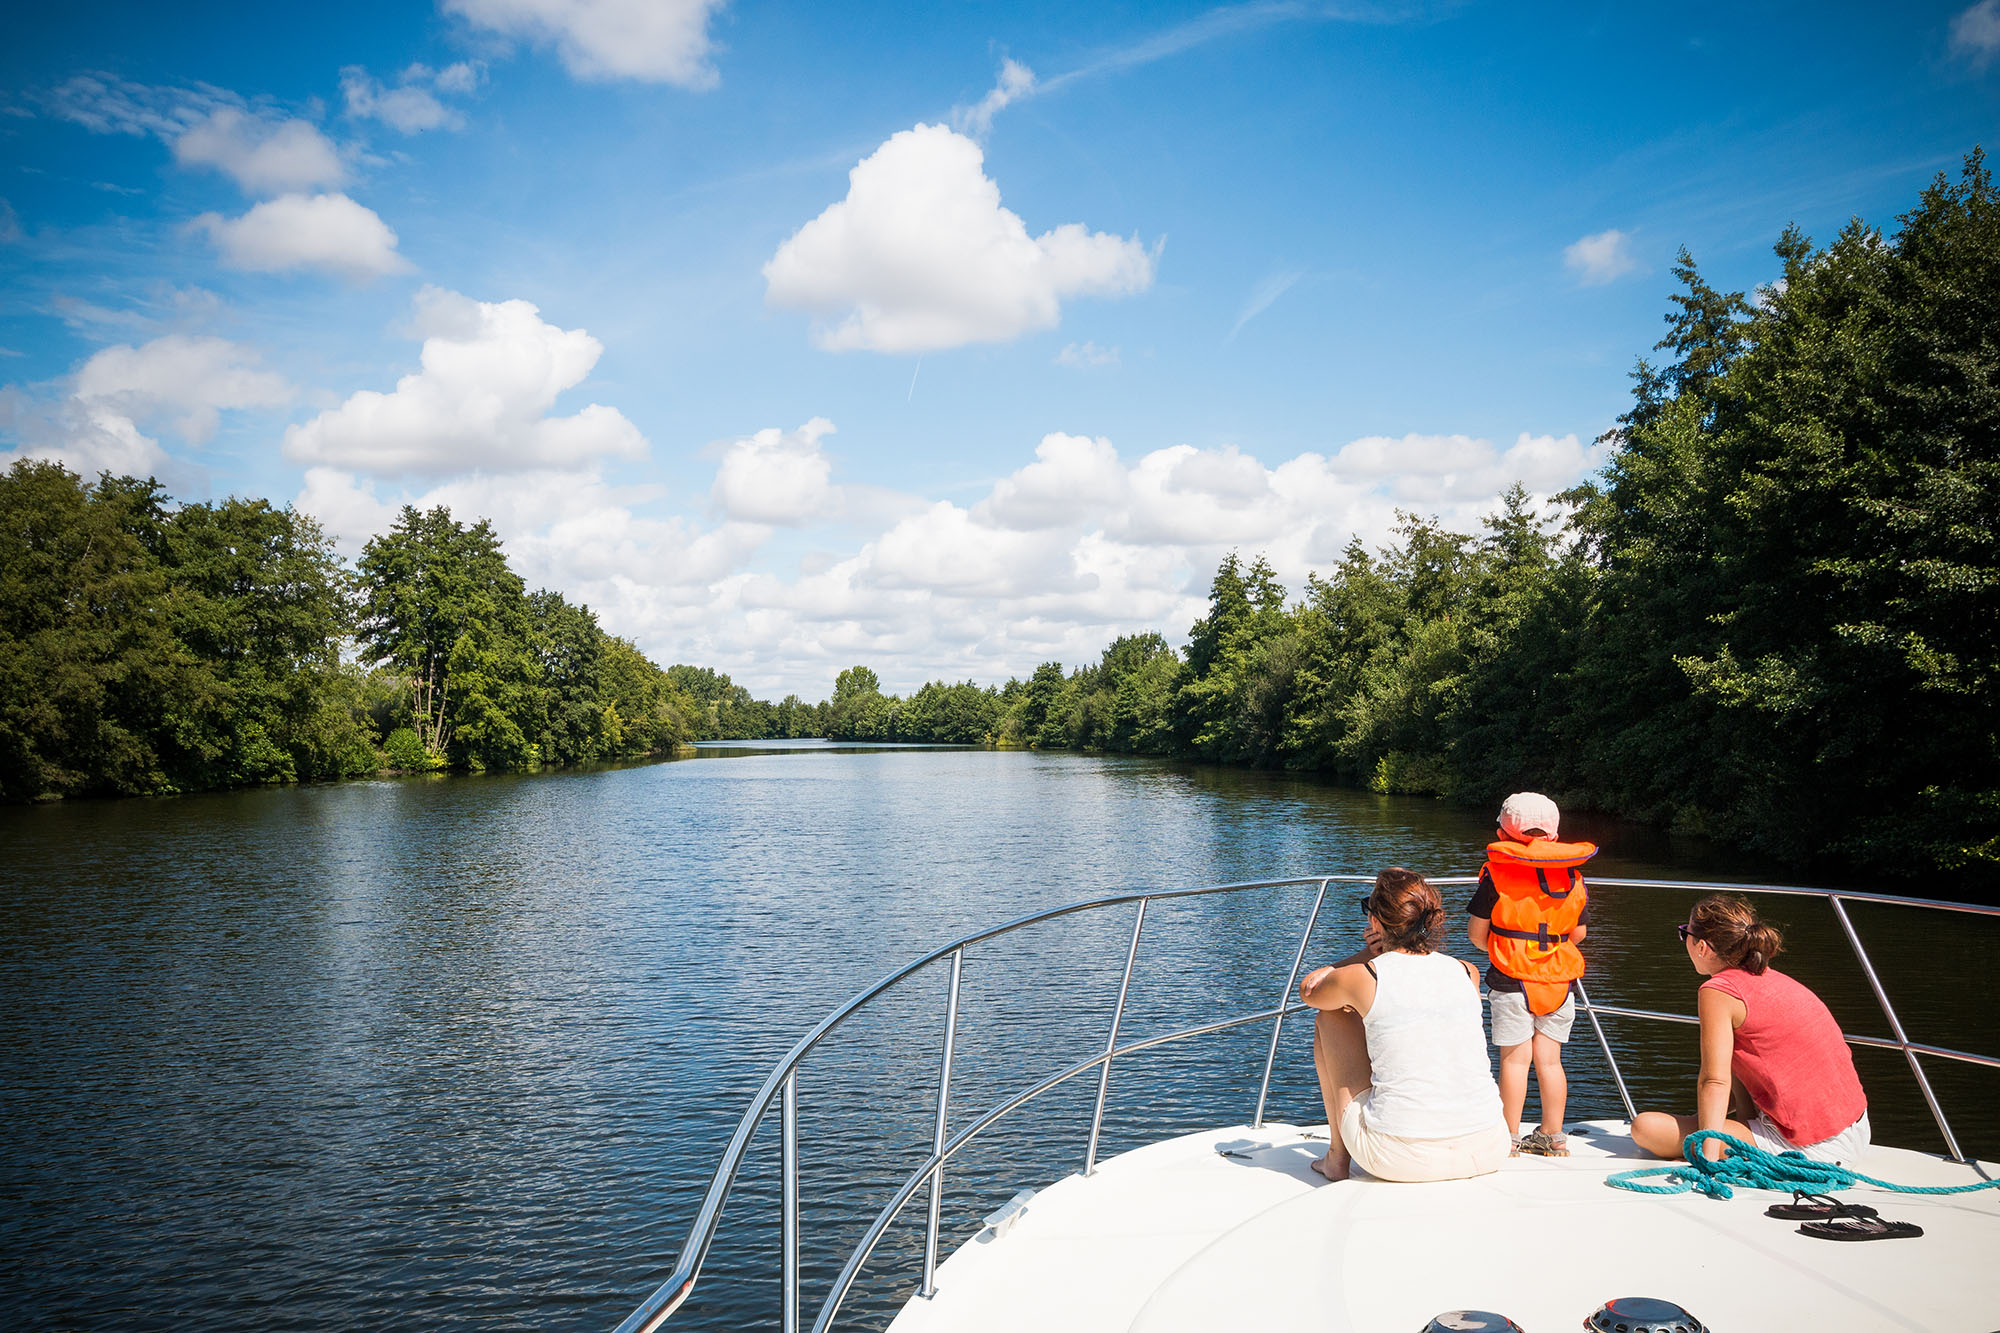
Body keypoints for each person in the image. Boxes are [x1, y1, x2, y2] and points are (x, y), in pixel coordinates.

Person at [1300, 867, 1510, 1182]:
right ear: (1430, 920)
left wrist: (1364, 955)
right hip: (1489, 1147)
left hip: (1400, 1158)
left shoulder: (1364, 975)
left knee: (1331, 1015)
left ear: (1375, 922)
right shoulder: (1467, 972)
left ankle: (1336, 1159)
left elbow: (1310, 989)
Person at [1632, 894, 1870, 1164]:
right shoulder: (1771, 978)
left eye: (1684, 933)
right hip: (1854, 1129)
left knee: (1646, 1128)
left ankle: (1732, 1146)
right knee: (1730, 1064)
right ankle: (1739, 1135)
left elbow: (1715, 1081)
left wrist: (1706, 1160)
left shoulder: (1718, 991)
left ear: (1702, 947)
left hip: (1812, 1147)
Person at [1465, 792, 1598, 1157]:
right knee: (1550, 1061)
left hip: (1511, 979)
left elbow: (1477, 935)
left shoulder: (1496, 874)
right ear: (1554, 836)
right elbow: (1579, 934)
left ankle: (1508, 1137)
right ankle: (1553, 1136)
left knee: (1515, 1060)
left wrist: (1506, 946)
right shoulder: (1573, 875)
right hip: (1559, 980)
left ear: (1503, 833)